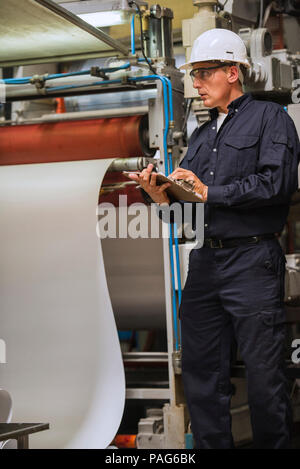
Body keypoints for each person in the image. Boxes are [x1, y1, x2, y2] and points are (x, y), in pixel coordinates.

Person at [128, 28, 300, 449]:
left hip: (253, 260)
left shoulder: (271, 118)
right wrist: (159, 195)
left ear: (233, 72)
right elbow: (185, 216)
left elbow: (275, 185)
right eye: (194, 75)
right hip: (206, 265)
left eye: (204, 73)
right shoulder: (203, 136)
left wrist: (209, 191)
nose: (196, 84)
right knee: (202, 376)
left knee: (264, 377)